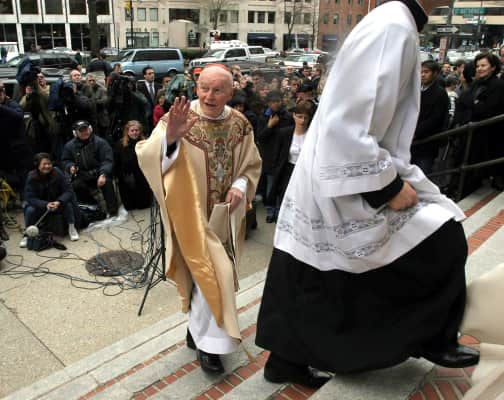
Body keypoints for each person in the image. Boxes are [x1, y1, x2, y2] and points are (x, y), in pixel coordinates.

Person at [255, 0, 479, 388]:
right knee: (442, 238)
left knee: (311, 270)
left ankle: (286, 360)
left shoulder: (395, 22)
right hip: (345, 169)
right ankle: (430, 336)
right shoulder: (392, 27)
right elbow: (346, 123)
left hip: (341, 167)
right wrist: (387, 188)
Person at [136, 65, 261, 374]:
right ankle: (210, 345)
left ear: (231, 92)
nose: (209, 96)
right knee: (209, 275)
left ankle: (200, 335)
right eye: (204, 88)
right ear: (196, 86)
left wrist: (240, 185)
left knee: (212, 277)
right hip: (189, 216)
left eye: (218, 90)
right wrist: (170, 139)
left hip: (224, 217)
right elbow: (146, 155)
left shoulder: (240, 124)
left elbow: (251, 164)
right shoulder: (179, 118)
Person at [20, 153, 79, 247]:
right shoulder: (31, 176)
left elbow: (68, 190)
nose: (47, 166)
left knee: (67, 205)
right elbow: (30, 197)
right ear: (37, 165)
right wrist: (45, 204)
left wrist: (59, 201)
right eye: (44, 164)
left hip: (57, 203)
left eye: (49, 163)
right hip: (42, 206)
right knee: (29, 210)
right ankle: (28, 234)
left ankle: (72, 228)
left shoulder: (57, 172)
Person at [62, 120, 119, 217]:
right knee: (76, 185)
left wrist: (103, 174)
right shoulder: (69, 146)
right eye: (81, 131)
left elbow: (107, 160)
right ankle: (94, 209)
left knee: (106, 182)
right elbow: (65, 160)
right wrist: (70, 166)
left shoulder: (100, 142)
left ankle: (113, 211)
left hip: (99, 172)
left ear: (90, 129)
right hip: (82, 175)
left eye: (86, 129)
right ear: (75, 133)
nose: (85, 132)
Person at [114, 121, 152, 210]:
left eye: (136, 130)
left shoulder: (145, 143)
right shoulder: (120, 145)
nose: (135, 133)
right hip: (126, 176)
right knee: (130, 206)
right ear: (127, 132)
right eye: (132, 130)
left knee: (144, 205)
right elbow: (117, 162)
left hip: (141, 175)